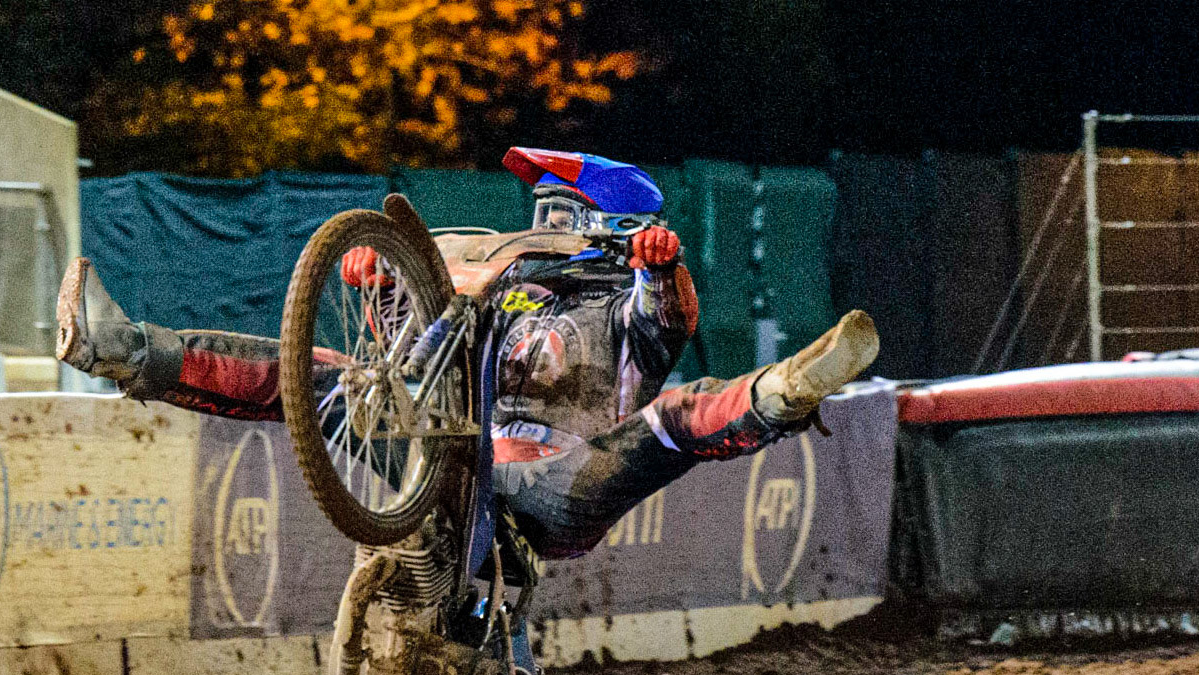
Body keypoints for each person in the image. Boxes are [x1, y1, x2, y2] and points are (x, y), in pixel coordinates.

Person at [55, 148, 879, 560]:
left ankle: (786, 389)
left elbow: (666, 315)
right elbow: (407, 361)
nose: (541, 218)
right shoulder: (502, 284)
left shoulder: (621, 304)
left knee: (672, 416)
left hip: (563, 478)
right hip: (452, 454)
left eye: (561, 207)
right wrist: (377, 281)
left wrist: (659, 267)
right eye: (541, 203)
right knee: (320, 375)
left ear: (608, 225)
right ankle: (123, 349)